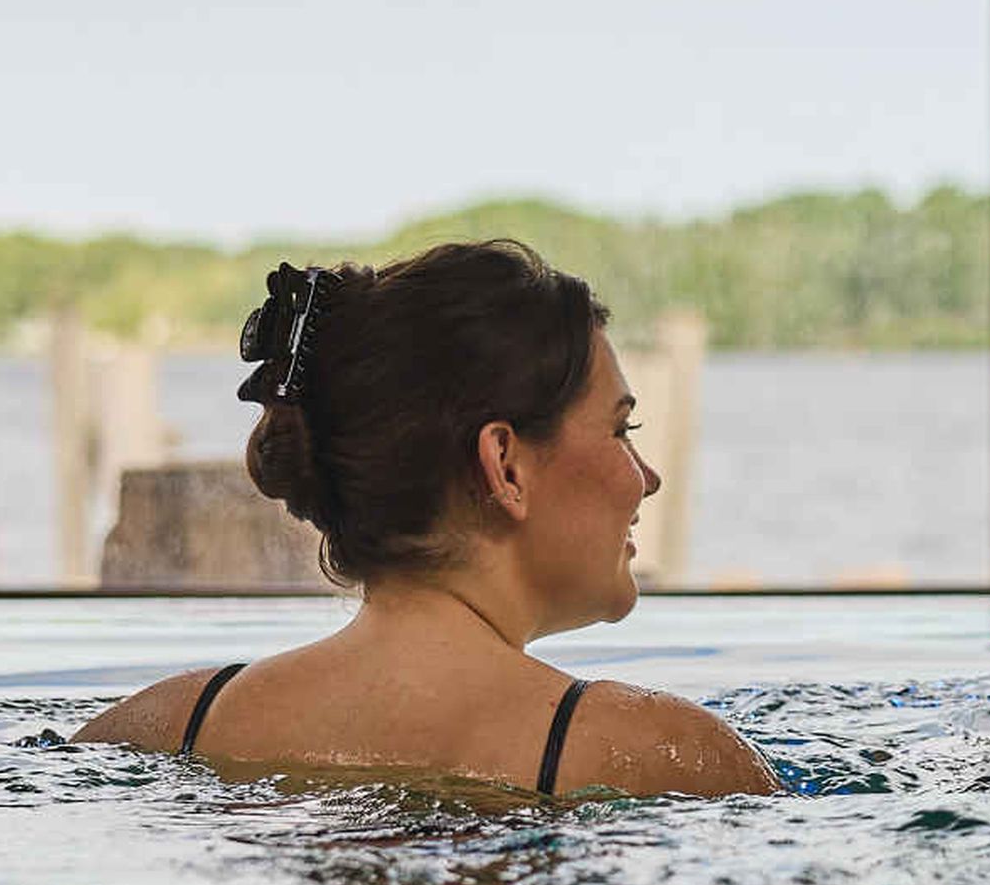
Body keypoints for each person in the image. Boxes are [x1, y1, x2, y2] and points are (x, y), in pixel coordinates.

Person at [78, 241, 777, 798]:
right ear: (504, 464)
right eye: (624, 430)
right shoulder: (660, 755)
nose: (646, 479)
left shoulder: (160, 727)